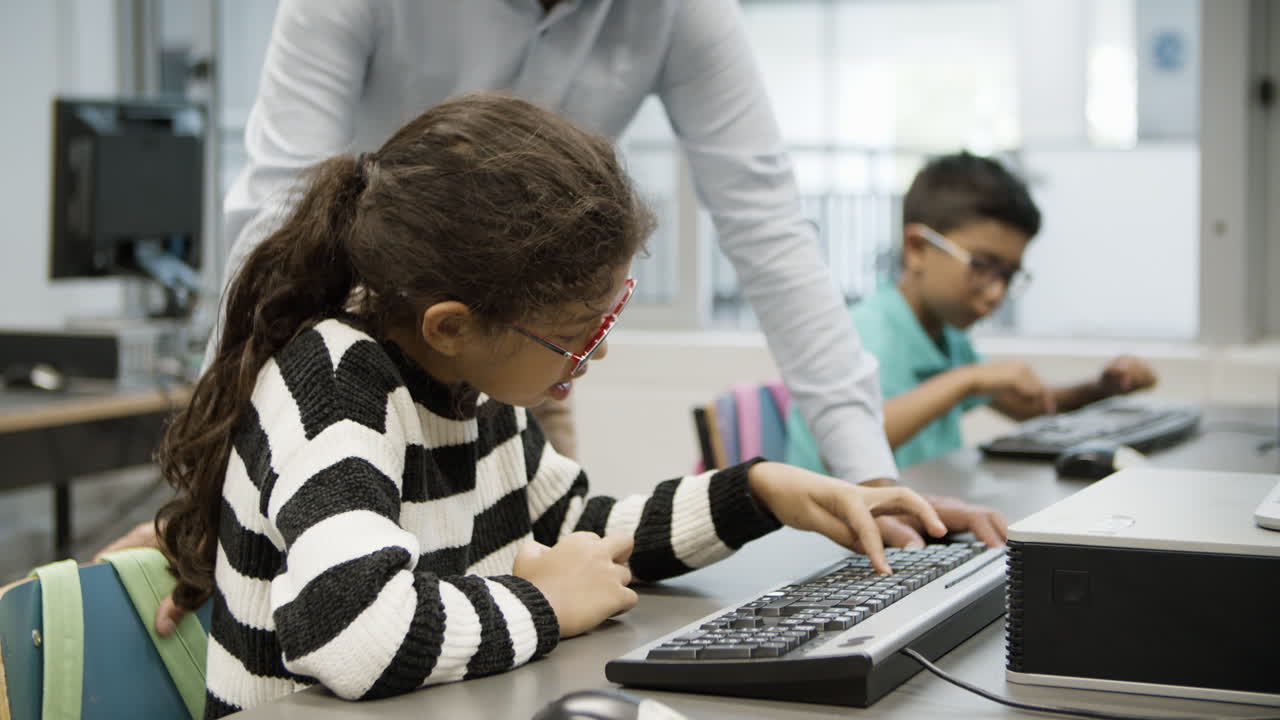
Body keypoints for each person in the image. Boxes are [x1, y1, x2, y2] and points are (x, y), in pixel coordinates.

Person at [98, 0, 1012, 564]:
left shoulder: (682, 13)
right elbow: (274, 205)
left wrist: (864, 493)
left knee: (548, 553)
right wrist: (230, 477)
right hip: (355, 366)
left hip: (516, 359)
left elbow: (770, 232)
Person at [158, 93, 949, 717]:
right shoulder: (337, 384)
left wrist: (761, 492)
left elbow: (579, 532)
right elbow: (350, 631)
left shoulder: (477, 388)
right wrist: (545, 603)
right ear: (454, 325)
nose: (597, 351)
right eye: (577, 333)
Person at [784, 152, 1158, 472]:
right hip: (828, 548)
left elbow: (1031, 407)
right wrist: (970, 379)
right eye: (981, 265)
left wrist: (1102, 388)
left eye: (1009, 275)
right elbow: (842, 448)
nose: (997, 293)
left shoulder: (945, 337)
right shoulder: (859, 335)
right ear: (916, 248)